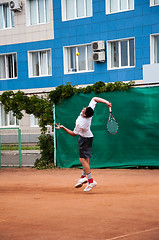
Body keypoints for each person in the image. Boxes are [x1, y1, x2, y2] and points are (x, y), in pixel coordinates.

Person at [55, 97, 112, 192]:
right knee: (86, 159)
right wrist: (106, 102)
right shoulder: (90, 111)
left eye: (84, 110)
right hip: (88, 137)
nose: (83, 108)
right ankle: (83, 177)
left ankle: (91, 181)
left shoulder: (81, 123)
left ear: (85, 115)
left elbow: (74, 134)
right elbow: (94, 99)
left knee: (82, 159)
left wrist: (63, 127)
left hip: (84, 139)